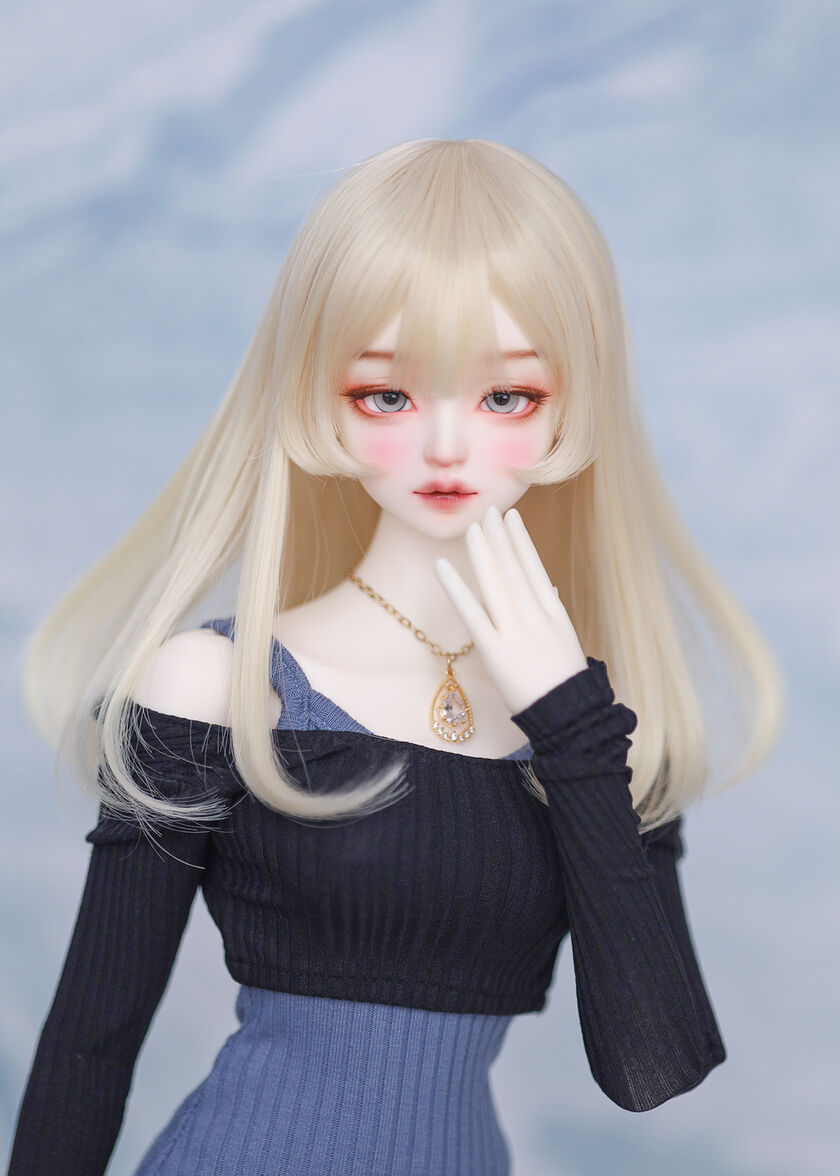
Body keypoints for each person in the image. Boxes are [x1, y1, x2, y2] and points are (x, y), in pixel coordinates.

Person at [7, 138, 785, 1176]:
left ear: (578, 402)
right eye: (388, 396)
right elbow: (88, 1047)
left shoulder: (602, 730)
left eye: (506, 397)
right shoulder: (216, 689)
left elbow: (653, 1068)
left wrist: (569, 728)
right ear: (315, 396)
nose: (446, 447)